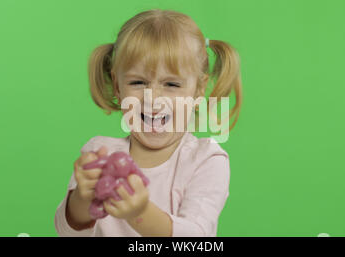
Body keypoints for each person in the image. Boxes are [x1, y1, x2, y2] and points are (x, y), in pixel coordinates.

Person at [54, 8, 242, 237]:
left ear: (198, 90)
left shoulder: (206, 160)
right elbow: (68, 233)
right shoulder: (99, 153)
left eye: (171, 84)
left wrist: (140, 214)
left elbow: (195, 237)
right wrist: (82, 199)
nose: (153, 99)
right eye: (138, 82)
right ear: (117, 86)